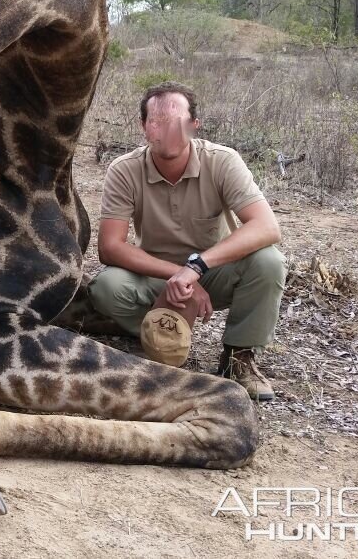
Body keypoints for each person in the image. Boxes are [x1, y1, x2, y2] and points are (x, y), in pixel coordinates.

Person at [90, 81, 285, 401]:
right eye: (157, 122)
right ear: (144, 127)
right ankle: (161, 330)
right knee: (106, 288)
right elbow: (110, 247)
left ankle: (239, 360)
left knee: (269, 261)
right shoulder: (124, 170)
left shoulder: (223, 160)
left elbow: (266, 227)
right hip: (157, 275)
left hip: (215, 272)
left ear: (194, 125)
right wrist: (176, 274)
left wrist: (196, 268)